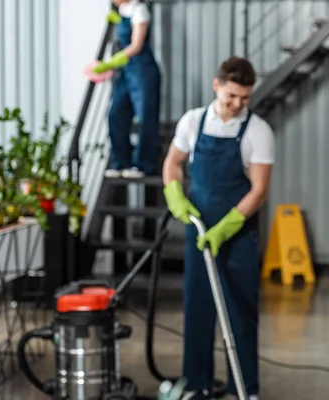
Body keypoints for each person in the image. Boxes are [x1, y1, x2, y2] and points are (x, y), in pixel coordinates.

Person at [162, 56, 275, 400]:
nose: (237, 104)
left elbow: (258, 189)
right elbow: (173, 162)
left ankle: (247, 391)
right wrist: (174, 194)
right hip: (199, 235)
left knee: (239, 313)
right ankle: (197, 386)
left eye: (244, 98)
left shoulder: (257, 130)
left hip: (237, 236)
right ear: (217, 86)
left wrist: (228, 226)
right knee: (198, 310)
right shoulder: (193, 122)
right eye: (231, 97)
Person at [91, 0, 161, 179]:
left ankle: (143, 165)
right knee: (115, 114)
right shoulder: (121, 9)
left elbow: (136, 45)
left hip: (143, 71)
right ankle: (121, 162)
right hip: (126, 73)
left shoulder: (139, 10)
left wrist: (111, 62)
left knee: (146, 117)